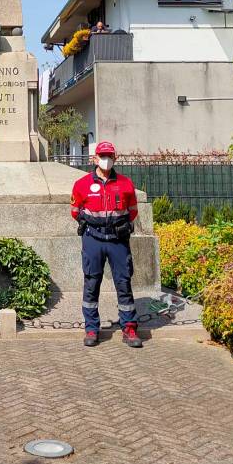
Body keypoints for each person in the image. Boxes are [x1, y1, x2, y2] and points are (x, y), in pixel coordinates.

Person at [69, 140, 143, 348]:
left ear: (115, 158)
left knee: (123, 283)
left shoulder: (126, 184)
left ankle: (129, 327)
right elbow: (75, 212)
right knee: (91, 284)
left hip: (118, 240)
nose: (106, 160)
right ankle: (92, 328)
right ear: (94, 158)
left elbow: (133, 211)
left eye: (110, 156)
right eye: (102, 156)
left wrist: (120, 226)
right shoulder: (82, 184)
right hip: (93, 239)